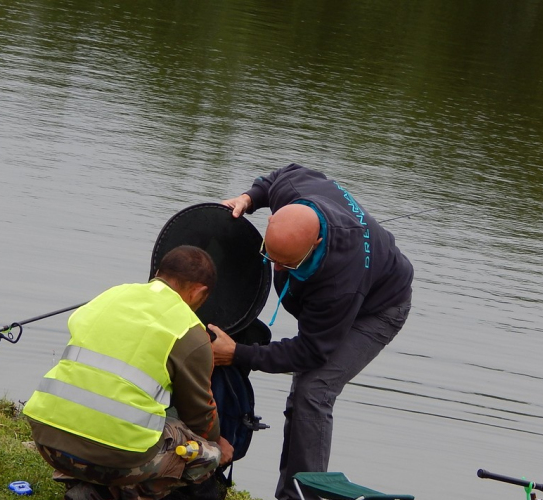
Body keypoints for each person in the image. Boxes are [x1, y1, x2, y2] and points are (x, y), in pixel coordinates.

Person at [210, 164, 413, 500]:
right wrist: (249, 198)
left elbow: (310, 351)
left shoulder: (340, 283)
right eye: (270, 257)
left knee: (313, 391)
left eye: (286, 264)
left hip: (379, 309)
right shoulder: (292, 188)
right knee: (303, 392)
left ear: (316, 241)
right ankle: (291, 491)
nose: (276, 269)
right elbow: (273, 178)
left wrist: (237, 353)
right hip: (345, 288)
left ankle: (306, 496)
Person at [23, 245, 234, 500]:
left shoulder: (111, 295)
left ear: (158, 272)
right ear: (200, 291)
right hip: (115, 457)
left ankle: (89, 486)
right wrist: (217, 444)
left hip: (48, 442)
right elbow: (200, 415)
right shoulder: (189, 331)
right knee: (204, 451)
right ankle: (121, 492)